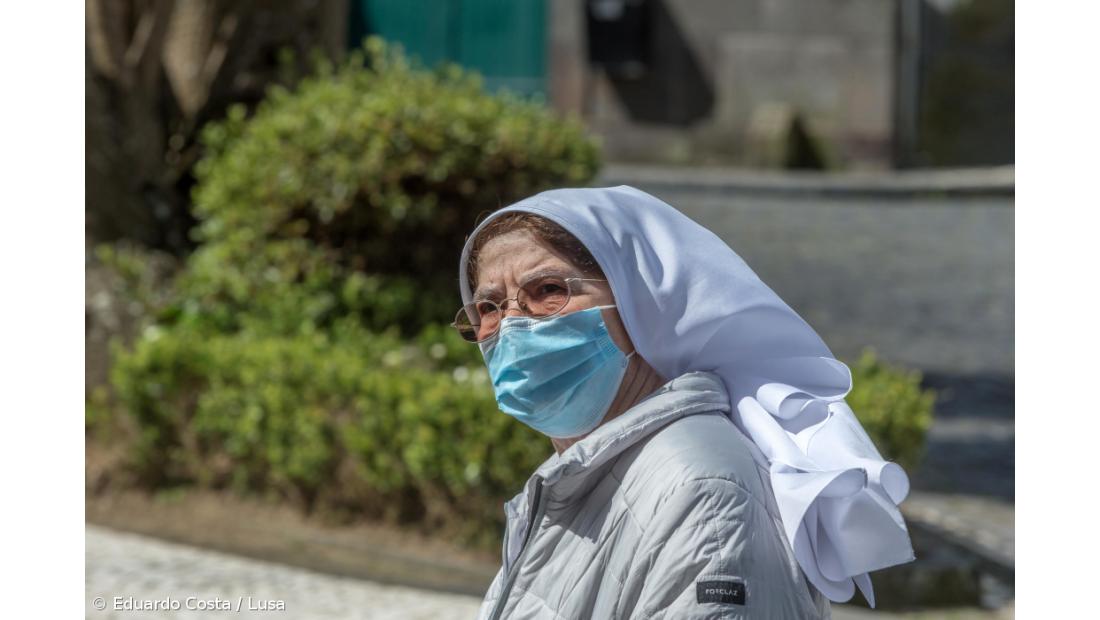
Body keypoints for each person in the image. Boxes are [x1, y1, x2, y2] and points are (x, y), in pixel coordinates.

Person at [453, 186, 915, 619]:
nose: (512, 324)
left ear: (641, 304)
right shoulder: (587, 472)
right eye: (489, 308)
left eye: (547, 291)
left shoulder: (701, 490)